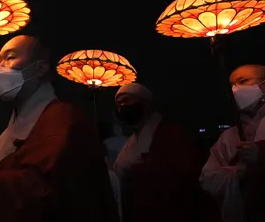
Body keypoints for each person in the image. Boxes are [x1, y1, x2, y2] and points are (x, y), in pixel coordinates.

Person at [0, 35, 118, 222]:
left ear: (40, 68)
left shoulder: (64, 119)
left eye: (10, 58)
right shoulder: (8, 133)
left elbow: (43, 187)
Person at [113, 83, 220, 222]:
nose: (122, 106)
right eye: (119, 103)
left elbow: (187, 175)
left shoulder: (172, 134)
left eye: (126, 101)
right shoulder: (132, 141)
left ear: (145, 104)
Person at [200, 64, 265, 222]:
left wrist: (261, 157)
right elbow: (207, 178)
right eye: (231, 85)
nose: (236, 89)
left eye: (243, 81)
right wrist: (237, 174)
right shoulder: (228, 136)